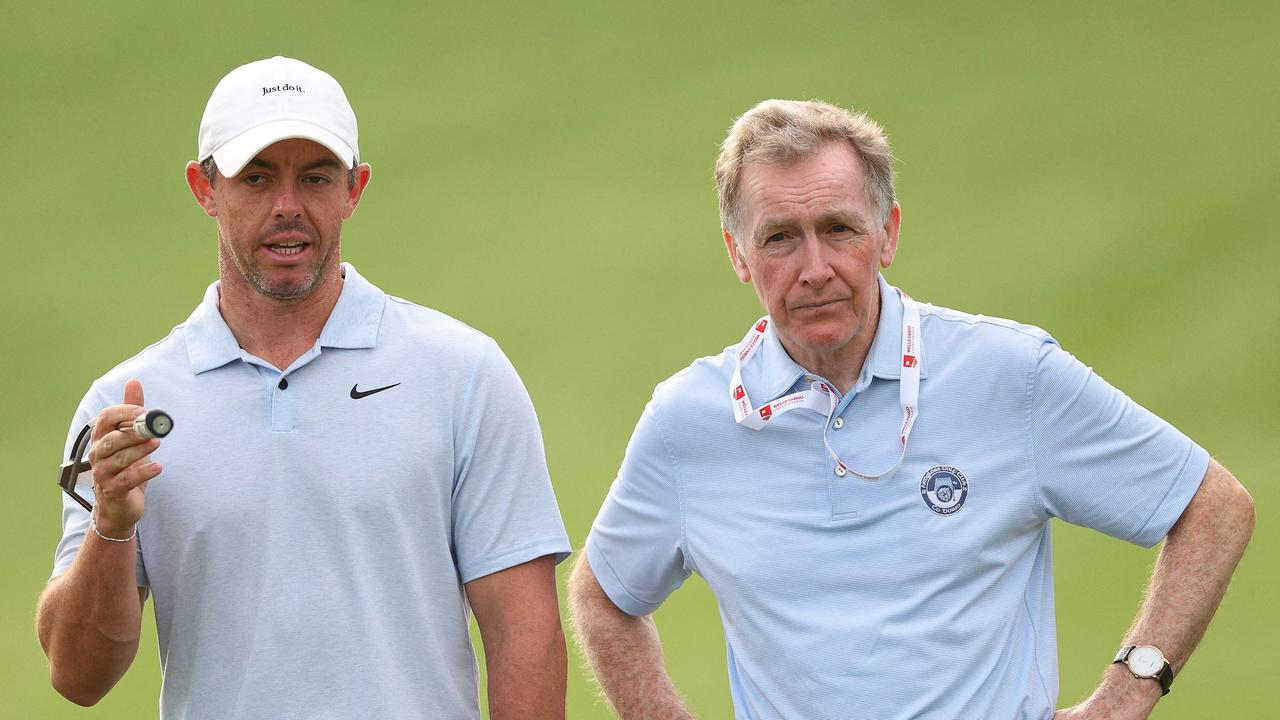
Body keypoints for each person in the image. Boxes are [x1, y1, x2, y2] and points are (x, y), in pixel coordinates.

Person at [568, 99, 1255, 719]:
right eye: (779, 237)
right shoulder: (690, 421)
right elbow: (603, 595)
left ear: (888, 233)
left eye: (839, 229)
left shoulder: (1007, 375)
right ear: (738, 254)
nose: (815, 269)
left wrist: (1125, 694)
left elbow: (1212, 507)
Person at [37, 56, 571, 719]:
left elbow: (524, 633)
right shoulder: (127, 406)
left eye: (314, 178)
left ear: (355, 188)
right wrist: (111, 529)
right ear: (205, 189)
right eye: (256, 179)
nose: (287, 208)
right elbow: (76, 676)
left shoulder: (463, 375)